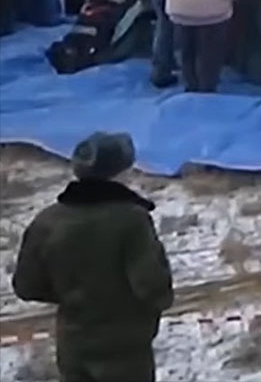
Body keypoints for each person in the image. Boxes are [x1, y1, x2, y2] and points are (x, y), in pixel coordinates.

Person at [10, 132, 174, 382]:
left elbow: (26, 286)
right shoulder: (131, 220)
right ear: (121, 171)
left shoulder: (48, 219)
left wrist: (75, 296)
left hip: (72, 342)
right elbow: (152, 286)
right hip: (123, 346)